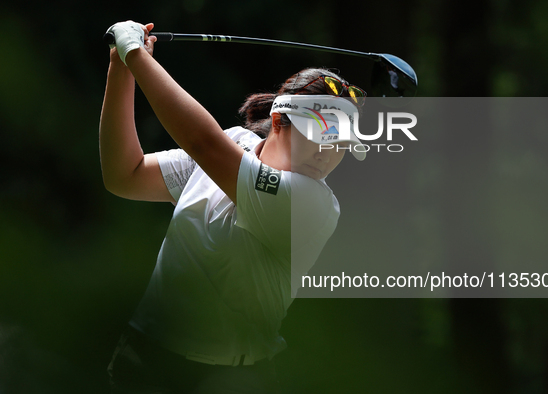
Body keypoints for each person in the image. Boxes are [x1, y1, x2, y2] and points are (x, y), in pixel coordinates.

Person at [100, 21, 366, 394]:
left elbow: (203, 143)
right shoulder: (233, 142)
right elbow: (124, 175)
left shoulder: (315, 205)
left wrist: (137, 55)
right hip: (145, 360)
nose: (328, 154)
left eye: (340, 143)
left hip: (231, 379)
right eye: (320, 135)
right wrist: (121, 67)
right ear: (278, 120)